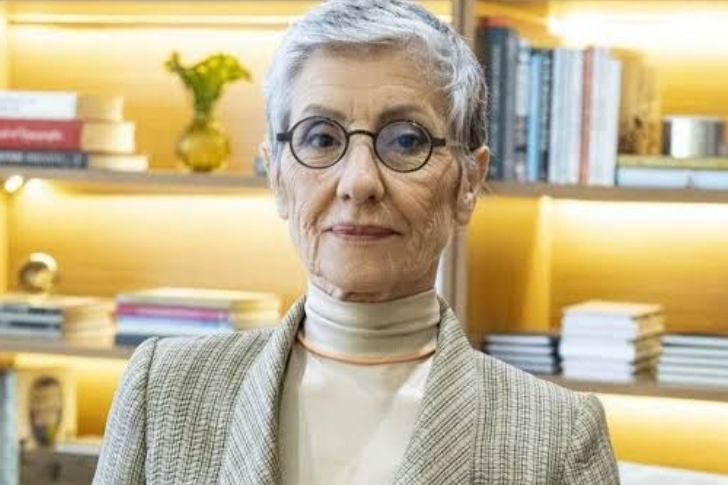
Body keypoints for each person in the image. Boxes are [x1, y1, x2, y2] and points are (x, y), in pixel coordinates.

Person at [93, 0, 620, 483]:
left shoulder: (556, 436)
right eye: (322, 138)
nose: (359, 181)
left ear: (468, 183)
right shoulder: (163, 391)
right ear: (277, 175)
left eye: (406, 140)